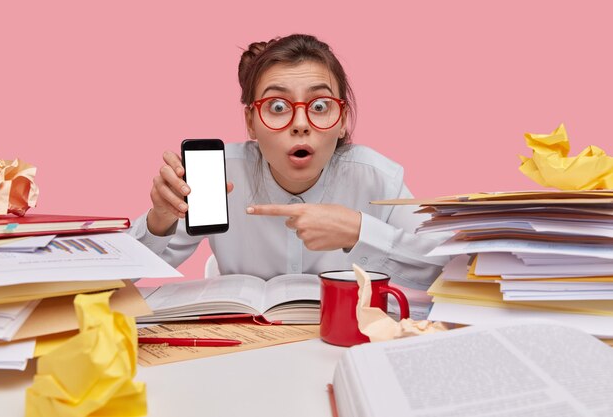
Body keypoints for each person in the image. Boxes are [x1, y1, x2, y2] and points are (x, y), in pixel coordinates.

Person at [129, 34, 450, 290]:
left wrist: (359, 231)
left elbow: (448, 270)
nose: (300, 123)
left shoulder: (377, 178)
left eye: (320, 105)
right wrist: (160, 222)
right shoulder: (219, 173)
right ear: (251, 122)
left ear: (342, 121)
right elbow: (120, 279)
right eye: (278, 107)